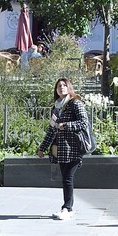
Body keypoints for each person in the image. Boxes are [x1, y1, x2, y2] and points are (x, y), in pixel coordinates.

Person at [37, 77, 90, 219]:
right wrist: (42, 148)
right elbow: (51, 129)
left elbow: (84, 123)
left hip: (73, 147)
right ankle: (67, 207)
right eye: (58, 86)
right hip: (60, 149)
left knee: (67, 178)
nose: (61, 88)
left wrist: (66, 125)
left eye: (64, 85)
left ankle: (68, 208)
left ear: (69, 88)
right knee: (66, 178)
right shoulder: (56, 107)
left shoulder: (75, 103)